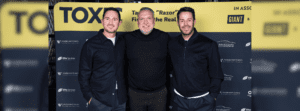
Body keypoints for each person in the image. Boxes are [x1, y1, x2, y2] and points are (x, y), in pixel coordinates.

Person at [168, 7, 224, 111]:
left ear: (194, 22)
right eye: (182, 21)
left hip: (203, 102)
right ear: (177, 23)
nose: (186, 24)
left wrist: (212, 97)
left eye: (189, 20)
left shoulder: (208, 44)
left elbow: (217, 74)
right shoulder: (172, 44)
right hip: (179, 101)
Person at [78, 8, 127, 111]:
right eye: (107, 18)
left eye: (115, 19)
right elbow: (83, 75)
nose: (111, 22)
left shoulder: (124, 43)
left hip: (121, 102)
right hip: (99, 102)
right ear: (102, 21)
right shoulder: (90, 45)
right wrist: (90, 99)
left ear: (120, 23)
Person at [123, 7, 170, 111]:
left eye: (149, 18)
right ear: (137, 22)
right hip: (135, 94)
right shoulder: (128, 39)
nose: (145, 22)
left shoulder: (164, 38)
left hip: (159, 94)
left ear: (154, 21)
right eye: (141, 19)